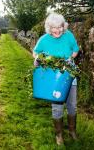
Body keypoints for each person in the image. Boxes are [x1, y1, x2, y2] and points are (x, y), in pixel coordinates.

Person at [33, 12, 79, 145]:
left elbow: (75, 50)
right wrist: (38, 58)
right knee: (57, 107)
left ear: (63, 26)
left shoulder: (69, 35)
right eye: (54, 27)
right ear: (49, 27)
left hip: (69, 76)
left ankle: (72, 131)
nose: (57, 30)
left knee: (72, 106)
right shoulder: (44, 39)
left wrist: (70, 58)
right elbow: (35, 52)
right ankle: (59, 135)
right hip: (53, 80)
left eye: (60, 27)